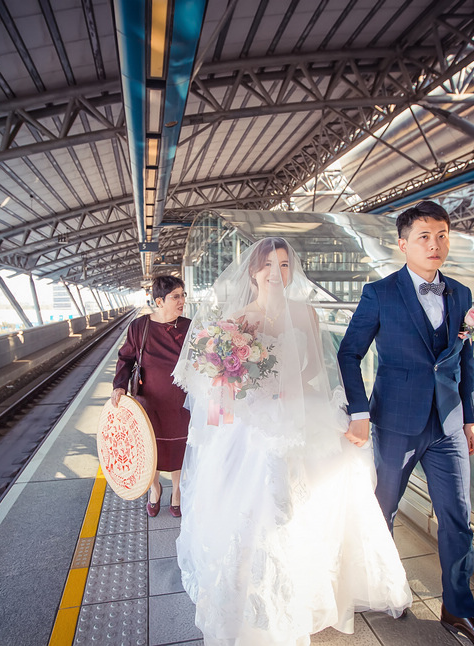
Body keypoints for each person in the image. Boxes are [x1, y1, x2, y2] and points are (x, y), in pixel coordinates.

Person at [173, 237, 412, 645]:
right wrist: (250, 389)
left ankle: (316, 591)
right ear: (253, 271)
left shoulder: (306, 314)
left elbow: (315, 372)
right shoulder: (238, 320)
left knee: (324, 495)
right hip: (255, 424)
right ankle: (258, 604)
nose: (275, 273)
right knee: (261, 508)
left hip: (302, 415)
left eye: (283, 265)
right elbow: (221, 386)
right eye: (267, 265)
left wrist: (316, 407)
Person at [337, 201, 474, 646]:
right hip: (396, 421)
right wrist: (359, 412)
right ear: (403, 244)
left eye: (442, 235)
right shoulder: (380, 293)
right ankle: (381, 588)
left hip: (448, 424)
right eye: (424, 237)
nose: (435, 245)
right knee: (383, 511)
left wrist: (472, 417)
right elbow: (348, 354)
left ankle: (458, 610)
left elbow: (465, 359)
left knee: (458, 517)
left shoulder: (463, 295)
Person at [112, 275, 190, 517]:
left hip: (182, 400)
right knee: (150, 447)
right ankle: (154, 489)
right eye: (175, 296)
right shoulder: (140, 327)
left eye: (183, 295)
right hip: (150, 400)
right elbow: (126, 358)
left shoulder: (189, 326)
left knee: (181, 446)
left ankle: (177, 492)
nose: (182, 301)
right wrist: (119, 385)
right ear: (159, 301)